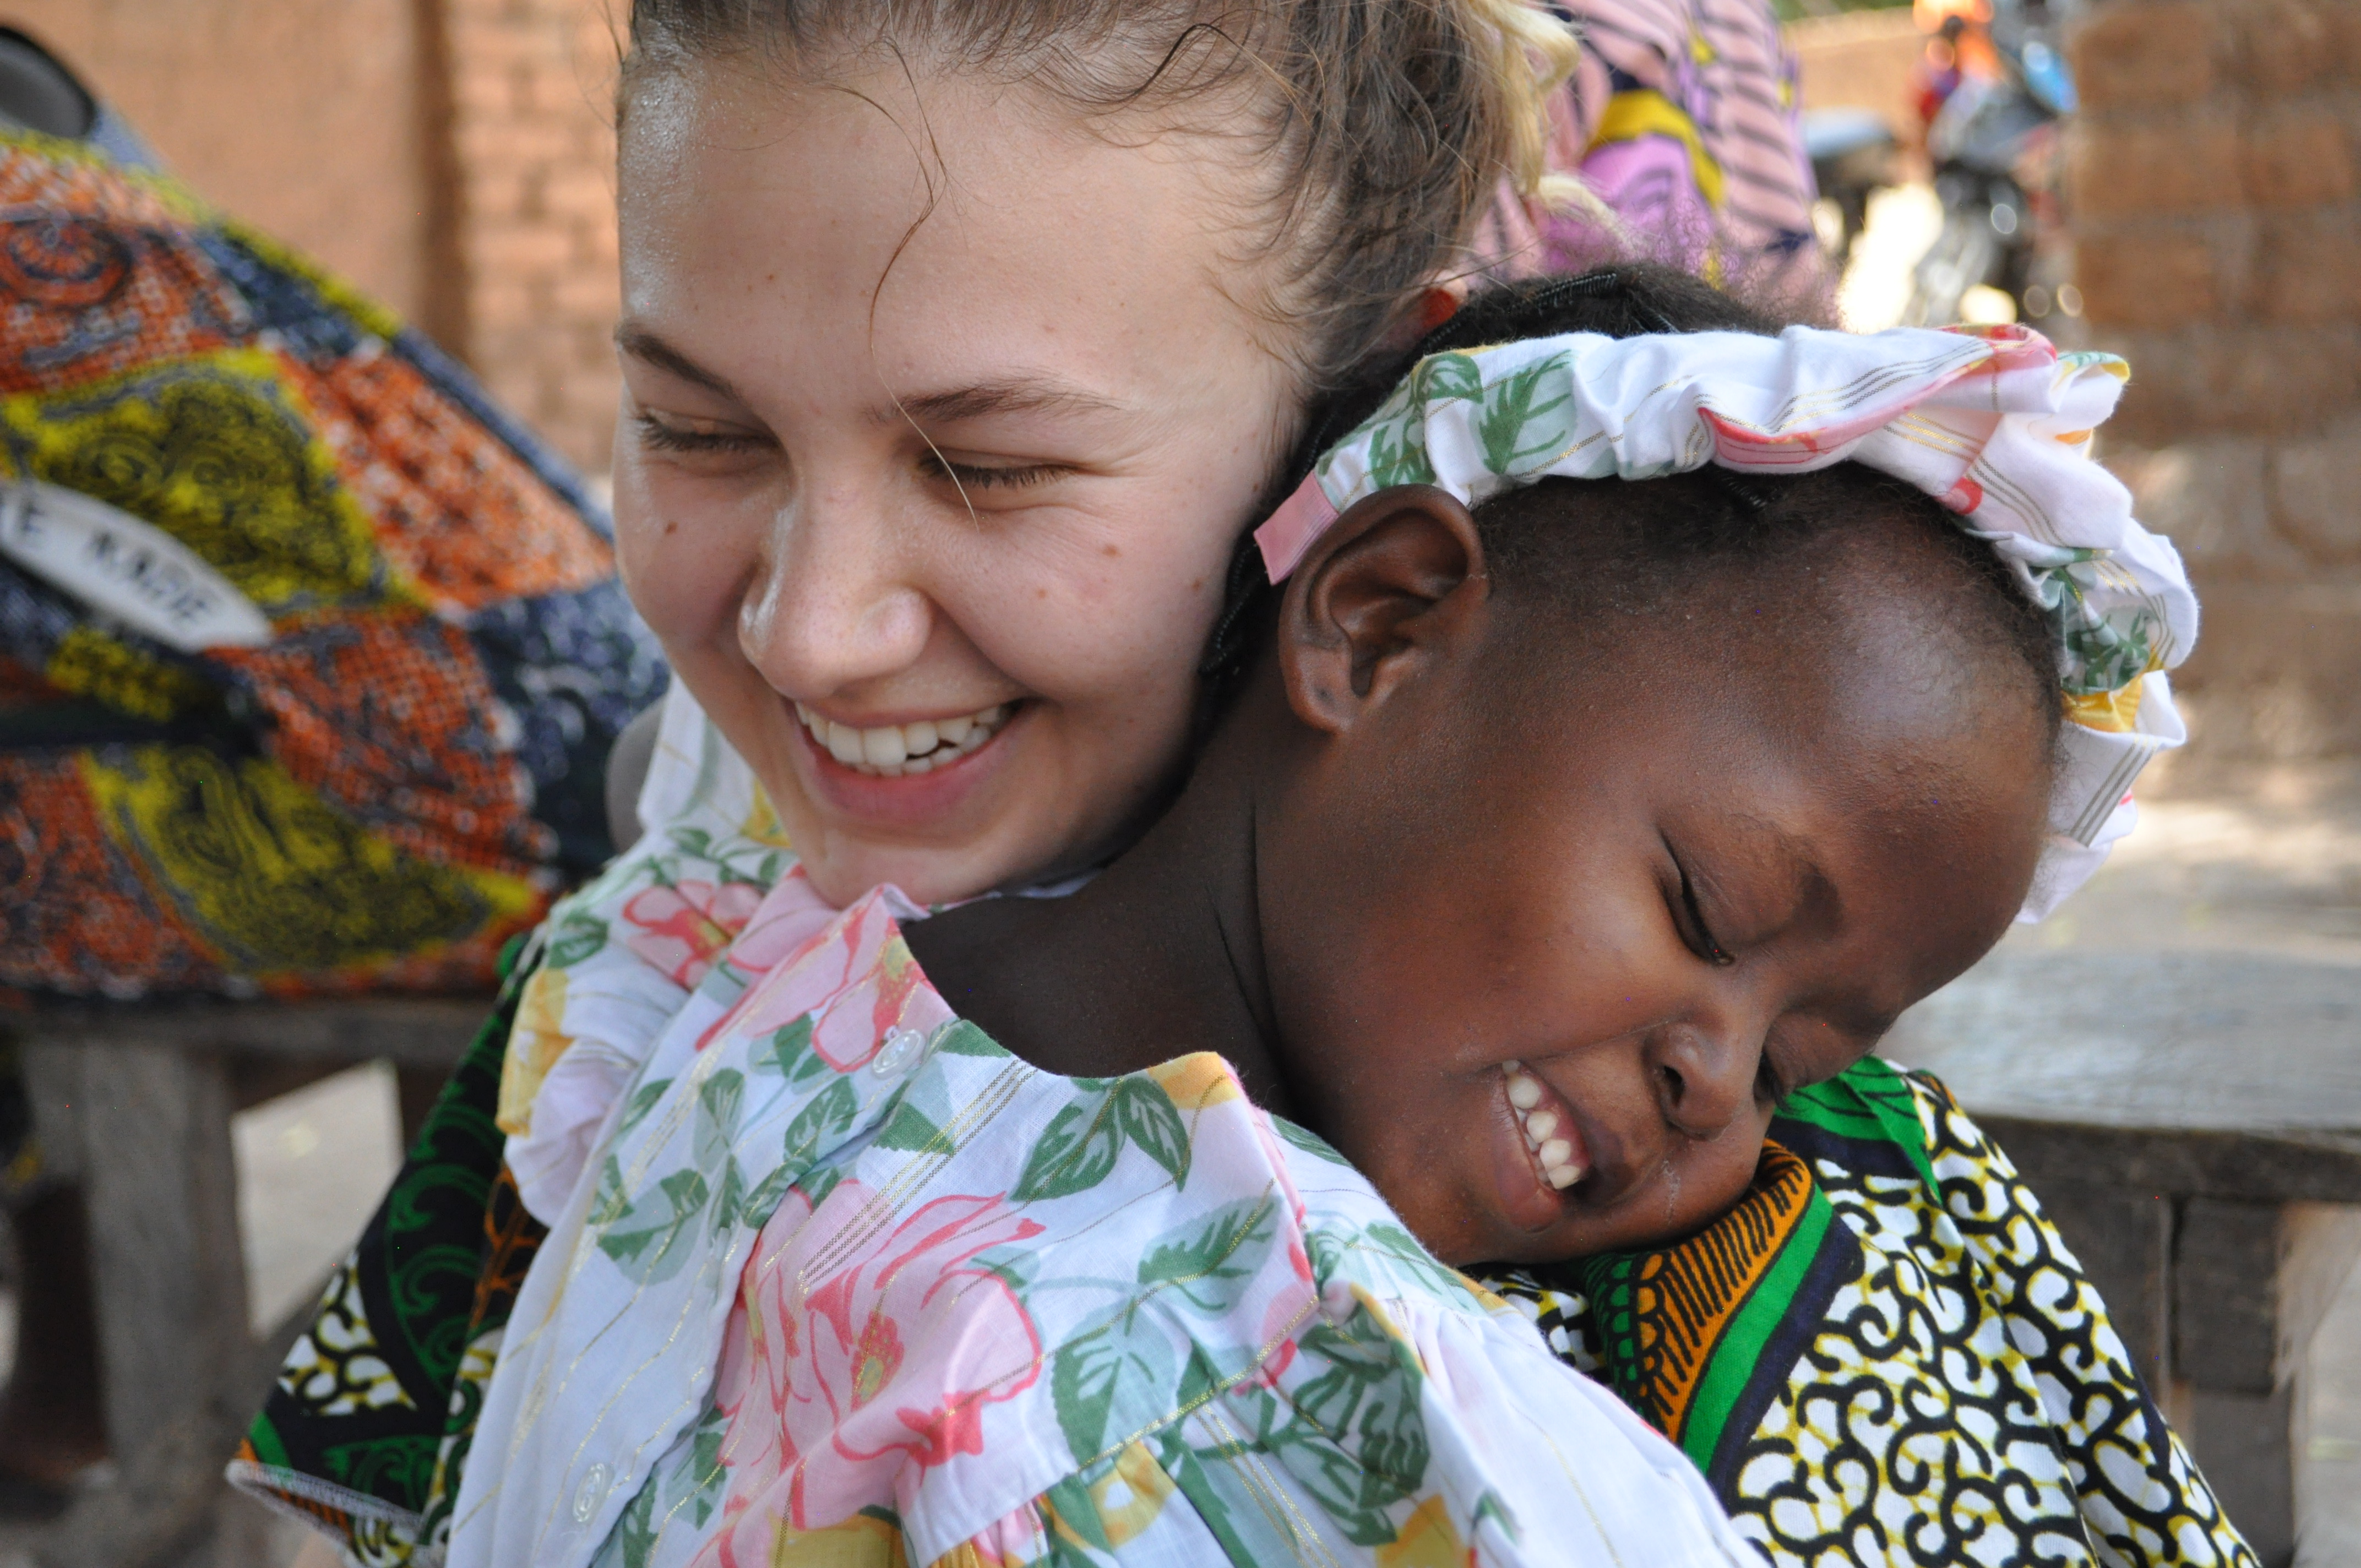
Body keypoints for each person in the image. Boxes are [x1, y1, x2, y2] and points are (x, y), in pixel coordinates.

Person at [413, 274, 2208, 1568]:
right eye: (1709, 905)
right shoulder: (1322, 1391)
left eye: (1810, 1052)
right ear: (1379, 622)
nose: (1719, 1076)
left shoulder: (745, 972)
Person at [0, 29, 665, 1514]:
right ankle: (76, 1357)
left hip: (476, 822)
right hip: (608, 761)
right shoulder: (85, 173)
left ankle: (95, 1375)